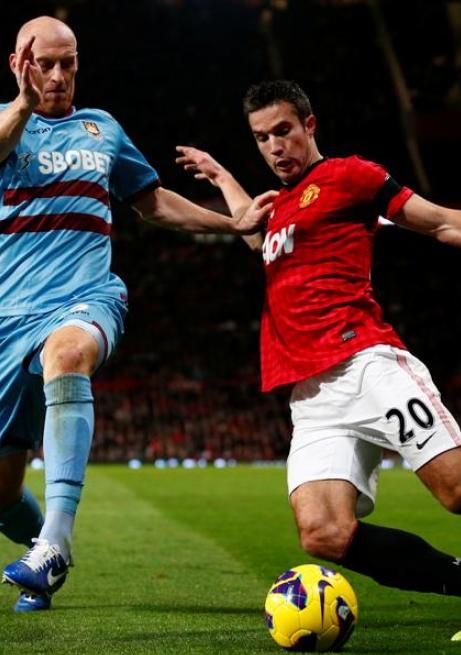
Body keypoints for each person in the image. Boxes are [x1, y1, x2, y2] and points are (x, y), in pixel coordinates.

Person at [176, 79, 461, 643]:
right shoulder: (275, 211)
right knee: (323, 532)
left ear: (309, 126)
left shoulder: (350, 176)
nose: (275, 146)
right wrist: (223, 177)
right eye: (261, 138)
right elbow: (257, 239)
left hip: (366, 364)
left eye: (283, 131)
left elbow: (442, 222)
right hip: (311, 394)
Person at [0, 16, 272, 614]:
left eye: (68, 63)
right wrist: (20, 106)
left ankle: (55, 542)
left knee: (68, 353)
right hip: (6, 318)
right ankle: (45, 549)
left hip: (85, 296)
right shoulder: (5, 124)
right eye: (44, 64)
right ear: (19, 65)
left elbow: (152, 203)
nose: (58, 75)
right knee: (1, 495)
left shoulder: (102, 129)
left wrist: (231, 225)